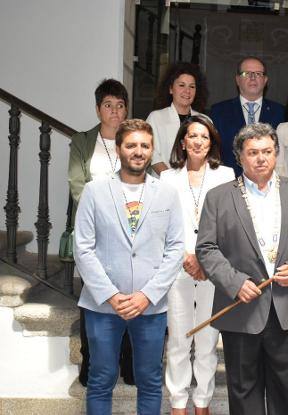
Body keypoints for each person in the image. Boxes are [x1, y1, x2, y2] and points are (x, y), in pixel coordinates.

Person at [195, 122, 288, 414]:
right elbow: (206, 247)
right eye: (253, 152)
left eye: (267, 151)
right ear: (239, 157)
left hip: (286, 307)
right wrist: (234, 283)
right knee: (244, 394)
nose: (261, 158)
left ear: (276, 153)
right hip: (241, 309)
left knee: (287, 394)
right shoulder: (218, 197)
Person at [73, 119, 184, 414]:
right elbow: (82, 248)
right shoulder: (94, 191)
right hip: (102, 305)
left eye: (145, 146)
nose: (138, 151)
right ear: (118, 149)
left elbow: (175, 248)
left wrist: (147, 295)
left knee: (149, 379)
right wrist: (111, 295)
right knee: (101, 378)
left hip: (150, 305)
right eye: (131, 145)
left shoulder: (167, 193)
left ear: (152, 150)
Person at [160, 116, 235, 415]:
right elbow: (163, 225)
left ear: (211, 143)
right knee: (179, 341)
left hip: (212, 270)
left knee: (207, 341)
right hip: (177, 268)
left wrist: (205, 262)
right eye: (192, 136)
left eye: (204, 137)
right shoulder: (167, 178)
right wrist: (185, 257)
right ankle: (178, 402)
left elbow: (230, 225)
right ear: (183, 142)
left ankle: (202, 401)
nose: (198, 141)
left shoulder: (226, 175)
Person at [67, 78, 134, 387]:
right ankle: (91, 361)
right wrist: (104, 216)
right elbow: (76, 185)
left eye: (120, 105)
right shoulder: (83, 141)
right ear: (98, 109)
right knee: (94, 297)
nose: (114, 111)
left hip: (129, 234)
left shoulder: (134, 140)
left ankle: (128, 360)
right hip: (92, 233)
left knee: (128, 297)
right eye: (108, 105)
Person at [210, 56, 285, 176]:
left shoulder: (281, 112)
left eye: (258, 74)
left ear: (265, 80)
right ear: (237, 80)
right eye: (247, 73)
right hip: (230, 181)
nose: (253, 77)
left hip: (268, 181)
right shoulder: (219, 112)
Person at [146, 62, 208, 175]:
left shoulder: (204, 121)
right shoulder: (156, 118)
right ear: (170, 89)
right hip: (163, 182)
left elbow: (209, 156)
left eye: (192, 86)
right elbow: (152, 155)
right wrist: (172, 180)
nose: (187, 91)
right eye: (181, 85)